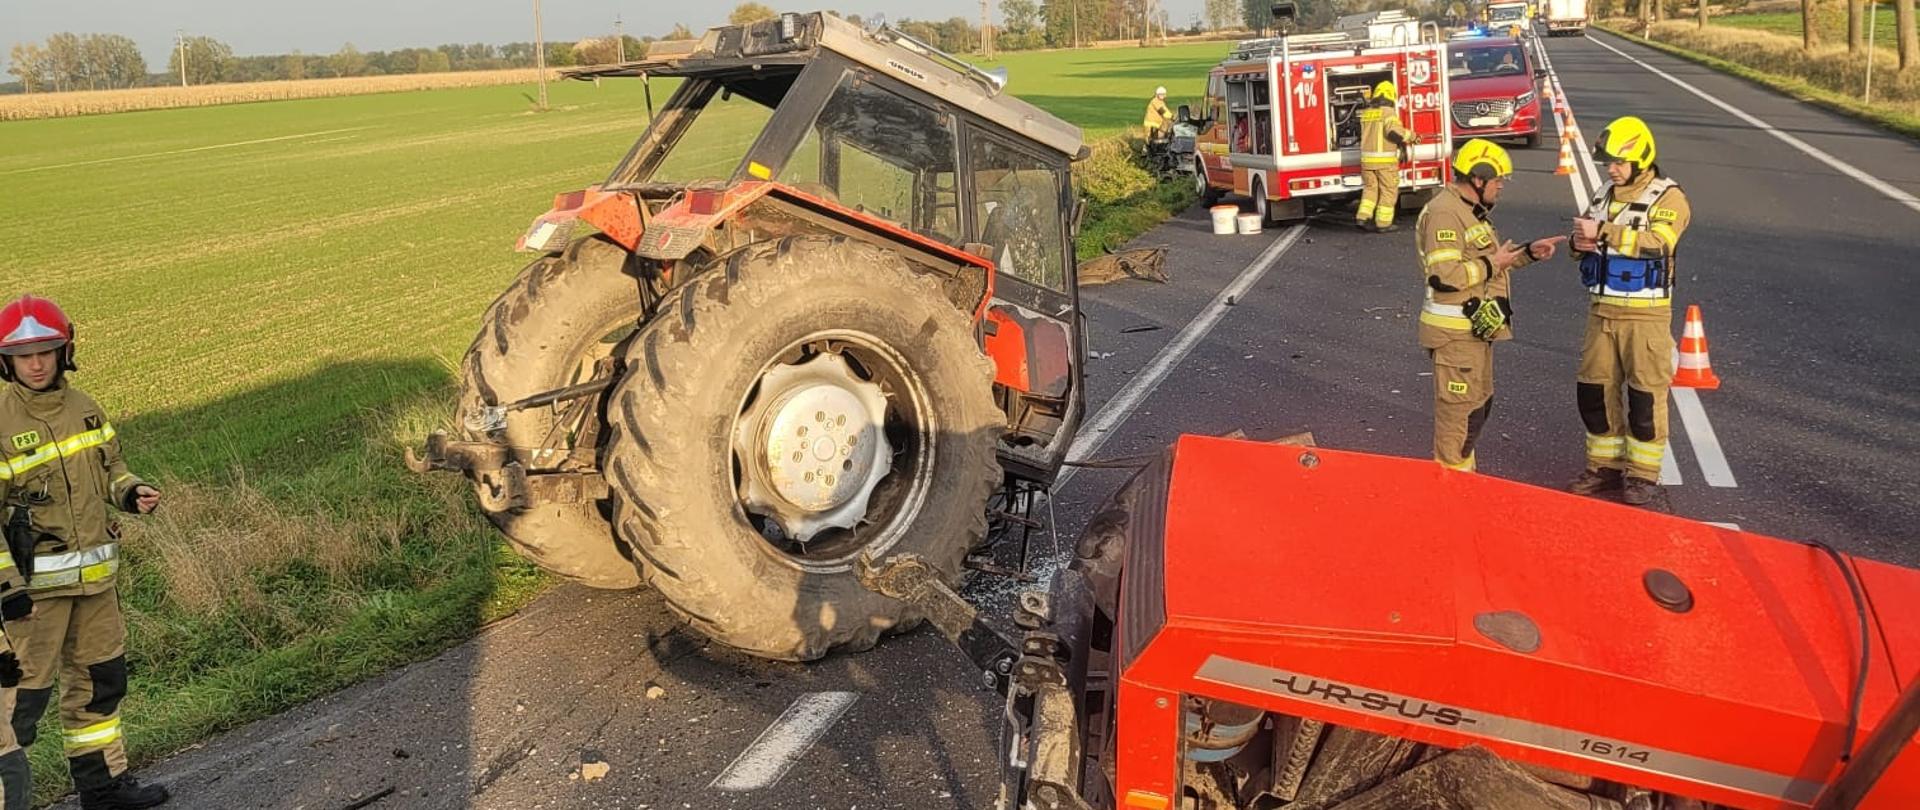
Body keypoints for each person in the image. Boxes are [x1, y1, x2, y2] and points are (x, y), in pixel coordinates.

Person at [0, 295, 169, 810]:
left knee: (99, 686)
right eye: (23, 355)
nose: (35, 363)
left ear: (64, 351)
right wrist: (7, 589)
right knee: (16, 709)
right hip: (29, 602)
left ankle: (104, 790)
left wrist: (131, 491)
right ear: (4, 361)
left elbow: (111, 469)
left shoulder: (86, 407)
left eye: (46, 351)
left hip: (95, 586)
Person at [1415, 139, 1565, 471]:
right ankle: (1450, 492)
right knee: (1457, 422)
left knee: (1475, 412)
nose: (1501, 187)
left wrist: (1527, 253)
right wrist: (1493, 262)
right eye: (1498, 181)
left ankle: (1463, 483)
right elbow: (1444, 275)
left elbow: (1484, 265)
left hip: (1473, 335)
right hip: (1454, 340)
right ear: (1478, 179)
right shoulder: (1445, 213)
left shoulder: (1468, 211)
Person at [1567, 116, 1692, 506]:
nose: (1611, 169)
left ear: (1641, 159)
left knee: (1644, 399)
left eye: (1618, 163)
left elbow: (1659, 244)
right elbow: (1583, 240)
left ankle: (1642, 475)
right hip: (1601, 313)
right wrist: (1578, 243)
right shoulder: (1605, 193)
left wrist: (1603, 233)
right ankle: (1603, 468)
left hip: (1645, 317)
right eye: (1608, 163)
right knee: (1594, 392)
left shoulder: (1668, 197)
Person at [1356, 81, 1422, 233]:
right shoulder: (1388, 113)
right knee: (1388, 190)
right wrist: (1412, 137)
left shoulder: (1367, 113)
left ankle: (1362, 217)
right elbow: (1394, 132)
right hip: (1384, 163)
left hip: (1366, 162)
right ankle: (1383, 223)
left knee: (1370, 190)